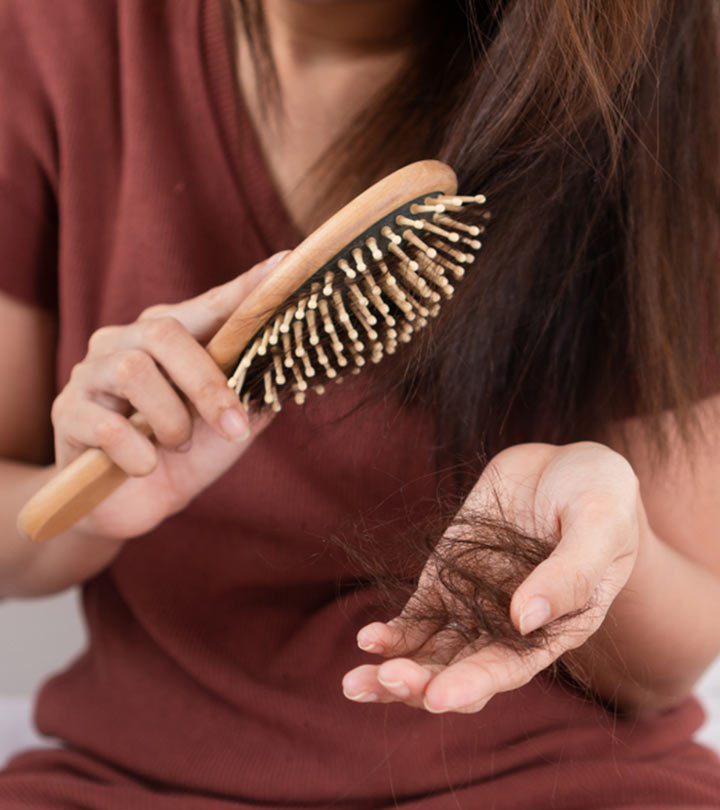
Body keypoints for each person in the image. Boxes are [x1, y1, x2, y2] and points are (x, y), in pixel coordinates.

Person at [0, 0, 719, 807]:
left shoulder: (651, 61)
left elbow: (672, 661)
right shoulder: (55, 34)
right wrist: (90, 497)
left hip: (558, 779)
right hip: (128, 781)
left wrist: (599, 536)